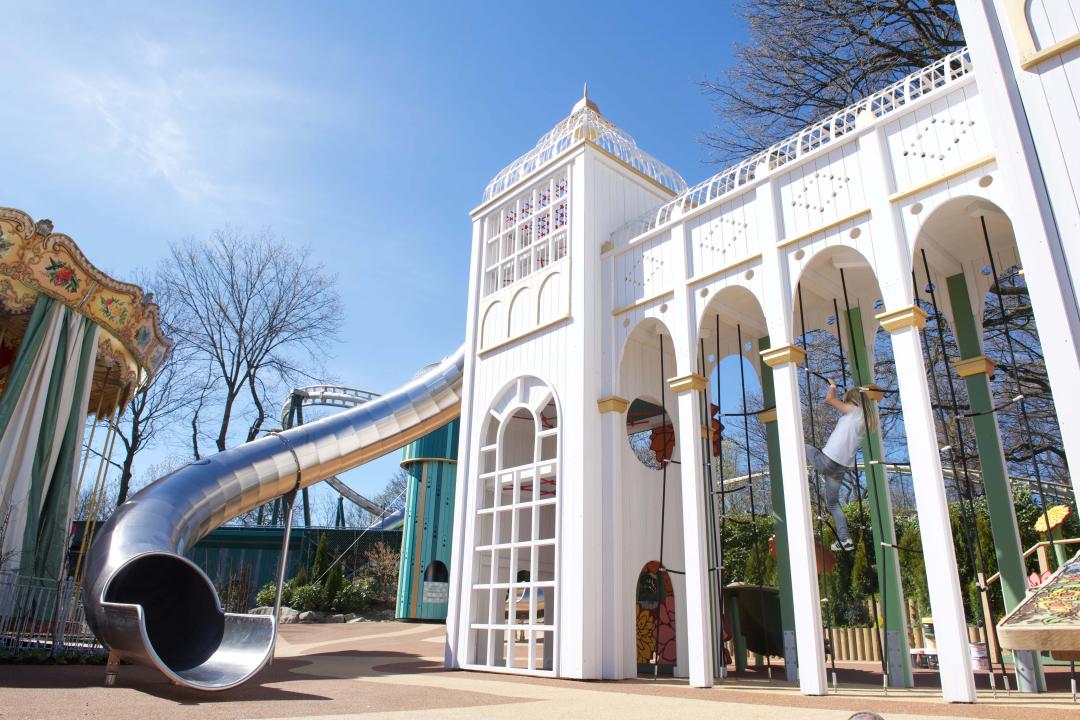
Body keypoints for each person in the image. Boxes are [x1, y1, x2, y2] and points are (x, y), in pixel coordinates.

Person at [805, 378, 877, 553]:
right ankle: (845, 540)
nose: (843, 404)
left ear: (853, 401)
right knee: (833, 503)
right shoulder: (865, 420)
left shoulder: (854, 411)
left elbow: (829, 399)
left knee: (802, 447)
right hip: (840, 467)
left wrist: (832, 385)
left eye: (846, 401)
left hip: (828, 460)